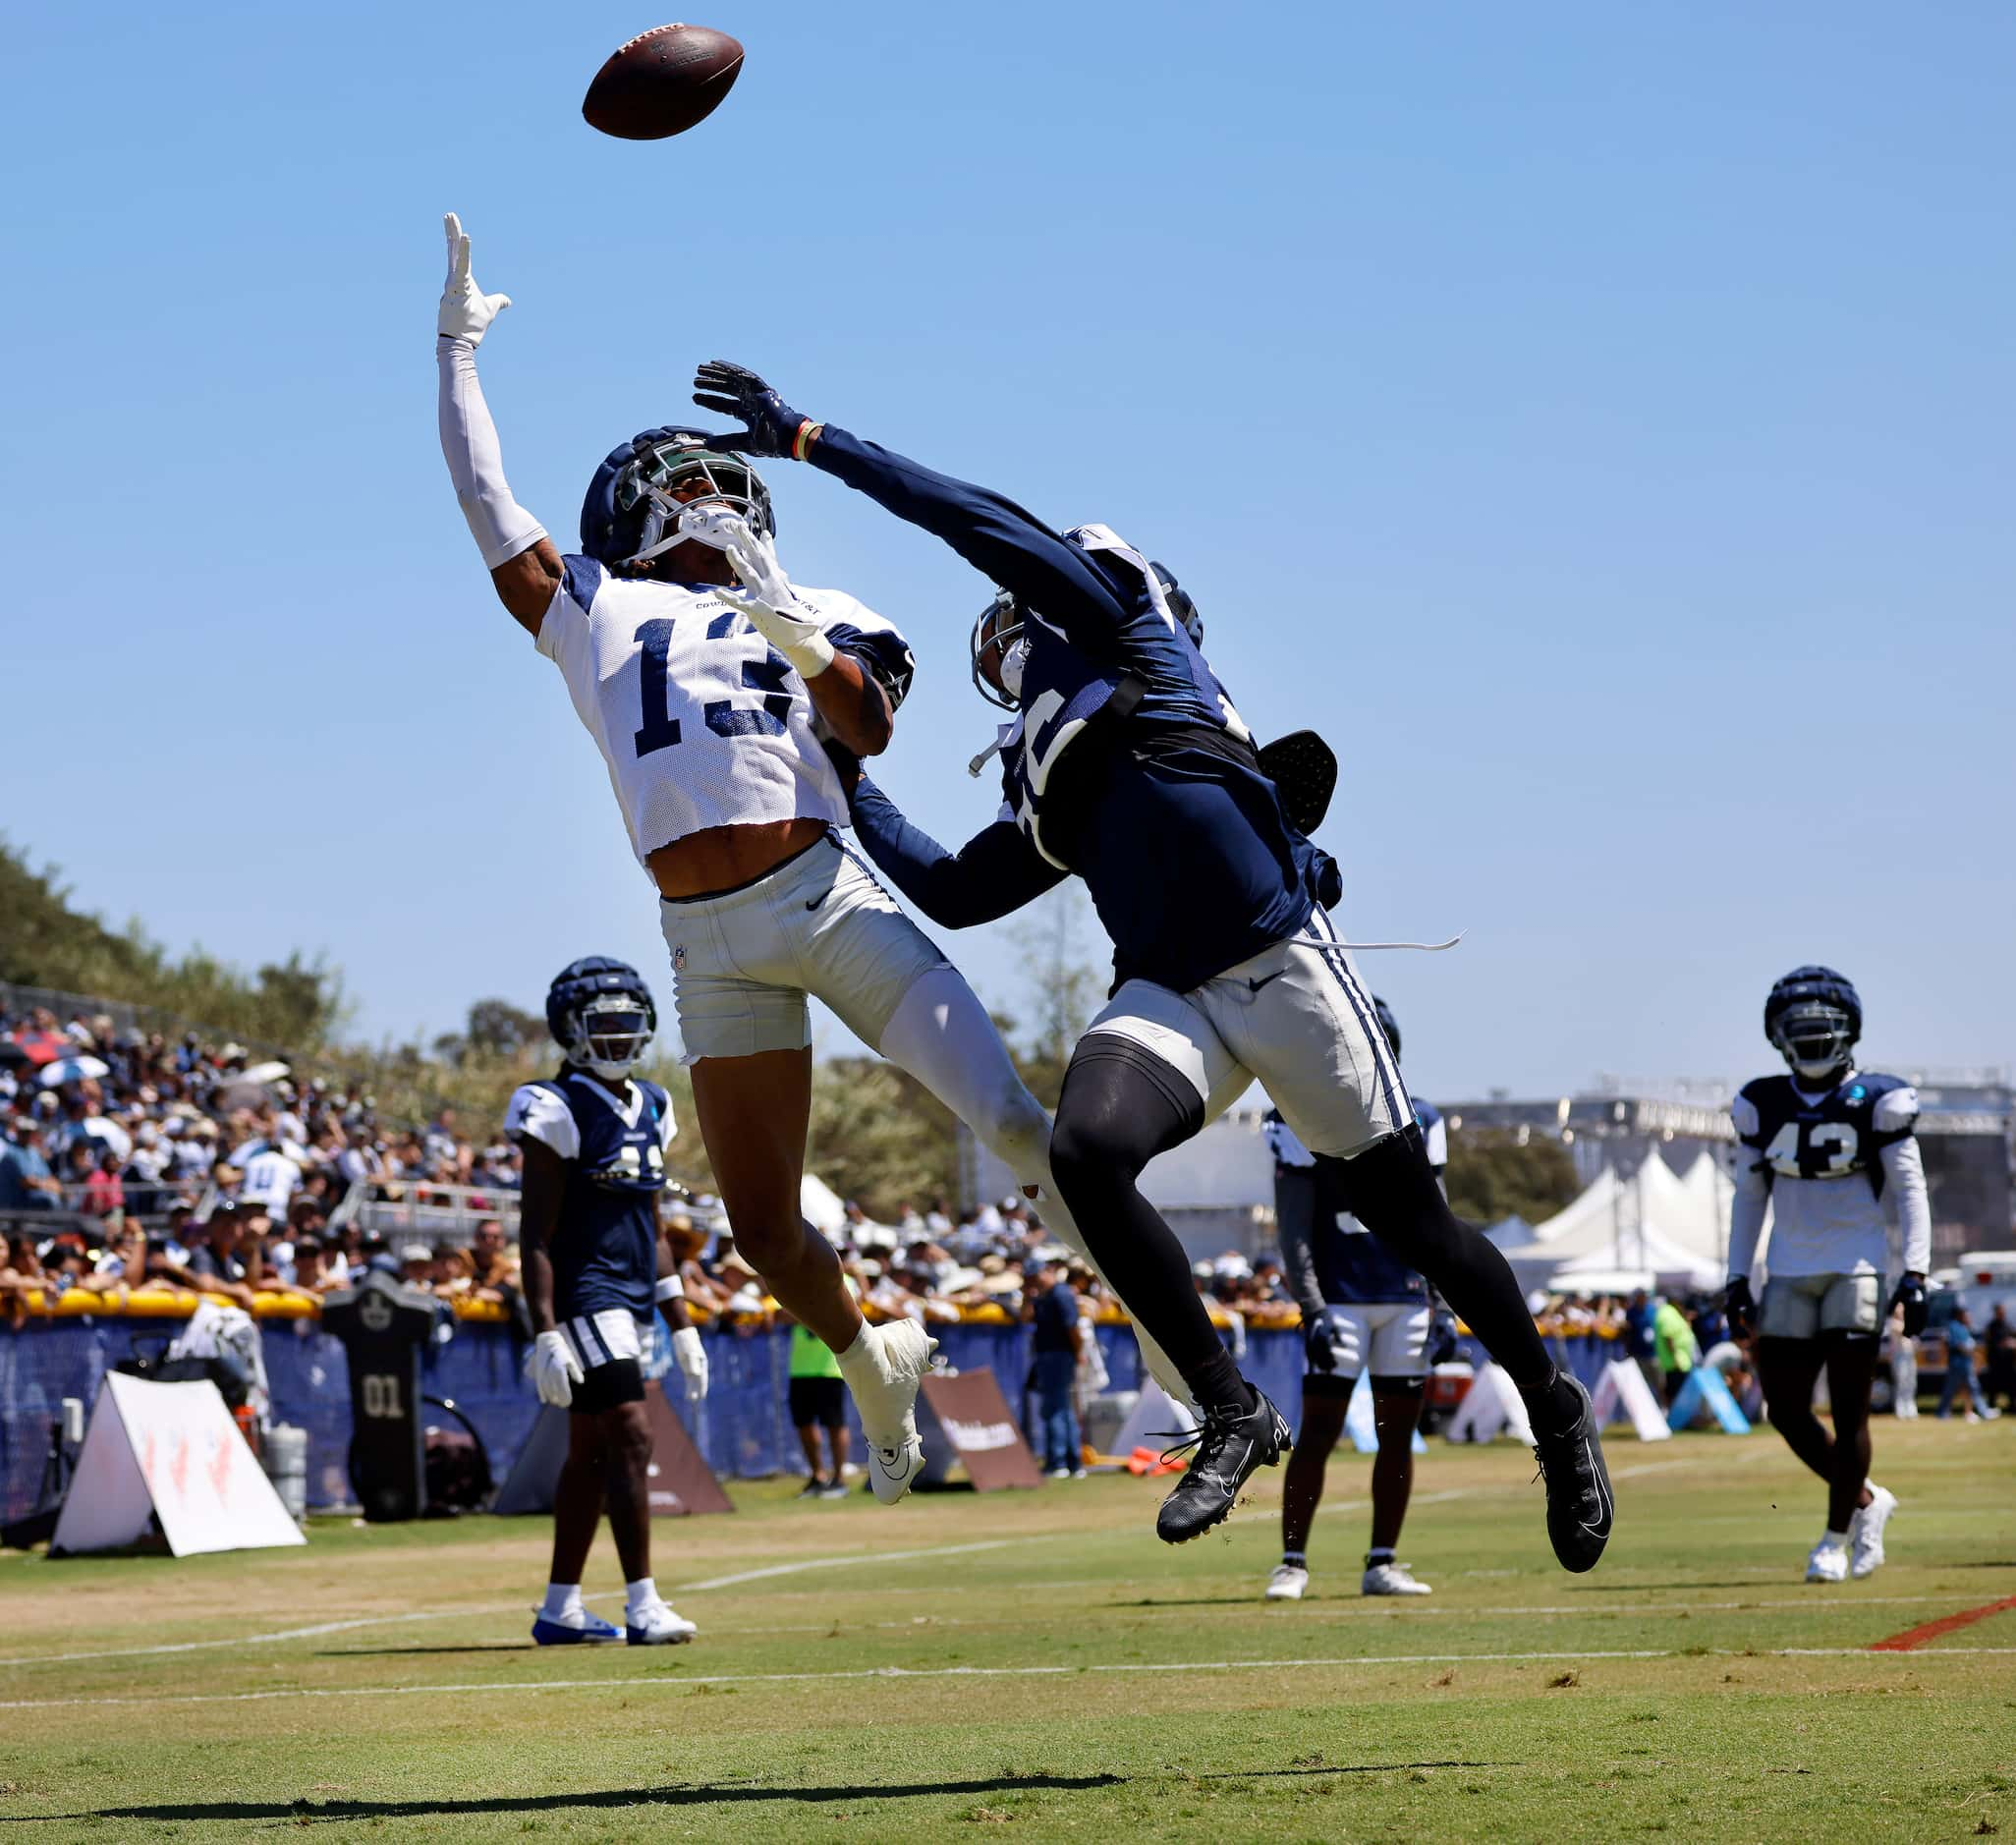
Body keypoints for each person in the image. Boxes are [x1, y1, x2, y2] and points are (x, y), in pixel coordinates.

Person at [687, 361, 1614, 1565]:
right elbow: (961, 892)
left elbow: (967, 517)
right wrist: (847, 781)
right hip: (1169, 991)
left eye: (1018, 618)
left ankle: (1553, 1406)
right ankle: (1229, 1405)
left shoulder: (1126, 631)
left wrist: (815, 440)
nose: (1008, 640)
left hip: (1279, 965)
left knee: (1414, 1224)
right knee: (1084, 1152)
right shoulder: (1046, 762)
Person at [433, 216, 1175, 1501]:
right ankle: (873, 1360)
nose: (711, 494)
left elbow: (867, 724)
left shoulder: (827, 604)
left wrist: (775, 595)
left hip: (826, 900)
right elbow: (490, 507)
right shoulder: (598, 611)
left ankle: (1182, 1363)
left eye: (720, 480)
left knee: (1013, 1122)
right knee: (766, 1227)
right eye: (688, 483)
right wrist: (455, 353)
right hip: (707, 943)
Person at [507, 959, 709, 1646]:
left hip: (633, 1298)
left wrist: (681, 1320)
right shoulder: (553, 1106)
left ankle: (560, 1607)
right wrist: (545, 1329)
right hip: (585, 1292)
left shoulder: (653, 1105)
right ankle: (643, 1603)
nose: (620, 1037)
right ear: (571, 1031)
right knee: (632, 1430)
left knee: (592, 1449)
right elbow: (536, 1232)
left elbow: (651, 1226)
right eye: (605, 1024)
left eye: (630, 1024)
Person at [1726, 967, 1931, 1583]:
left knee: (1850, 1415)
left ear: (1849, 1032)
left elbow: (1910, 1191)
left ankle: (1835, 1537)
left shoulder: (1881, 1100)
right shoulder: (1762, 1102)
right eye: (1800, 1029)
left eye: (1823, 1028)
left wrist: (1916, 1272)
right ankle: (1868, 1499)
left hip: (1858, 1269)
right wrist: (1738, 1277)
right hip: (1788, 1270)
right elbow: (1747, 1198)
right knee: (1784, 1410)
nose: (1812, 1040)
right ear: (1777, 1035)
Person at [1267, 996, 1443, 1602]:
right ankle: (1292, 1561)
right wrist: (1312, 1305)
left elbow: (1436, 1217)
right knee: (1319, 1432)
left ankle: (1382, 1561)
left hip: (1403, 1295)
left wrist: (1440, 1304)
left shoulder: (1420, 1117)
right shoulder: (1296, 1116)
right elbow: (1292, 1228)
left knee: (1398, 1435)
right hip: (1340, 1296)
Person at [788, 1302, 854, 1500]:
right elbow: (782, 1314)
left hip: (830, 1368)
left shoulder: (844, 1280)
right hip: (800, 1369)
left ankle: (839, 1479)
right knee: (804, 1423)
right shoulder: (792, 1283)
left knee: (835, 1424)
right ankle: (818, 1476)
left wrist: (802, 1311)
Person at [1028, 1261, 1084, 1478]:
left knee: (1054, 1409)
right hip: (1051, 1355)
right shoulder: (1044, 1295)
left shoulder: (1060, 1294)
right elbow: (1026, 1316)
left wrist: (1078, 1352)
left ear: (1049, 1272)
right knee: (1062, 1409)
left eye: (1038, 1275)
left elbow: (1072, 1327)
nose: (1035, 1280)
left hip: (1058, 1355)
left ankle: (1058, 1462)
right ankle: (1073, 1462)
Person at [1936, 1307, 1994, 1422]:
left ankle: (1982, 1411)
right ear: (1959, 1315)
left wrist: (1973, 1356)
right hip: (1957, 1364)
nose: (1969, 1318)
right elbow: (1953, 1344)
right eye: (1966, 1315)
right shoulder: (1953, 1326)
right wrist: (1969, 1351)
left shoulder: (1964, 1328)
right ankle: (1942, 1412)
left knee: (1972, 1388)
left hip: (1966, 1364)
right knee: (1953, 1389)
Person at [1652, 1296, 1700, 1407]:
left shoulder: (1672, 1313)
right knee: (1676, 1393)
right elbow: (1668, 1337)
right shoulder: (1667, 1313)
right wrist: (1676, 1358)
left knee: (1674, 1392)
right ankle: (1675, 1419)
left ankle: (1676, 1418)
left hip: (1679, 1362)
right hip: (1676, 1363)